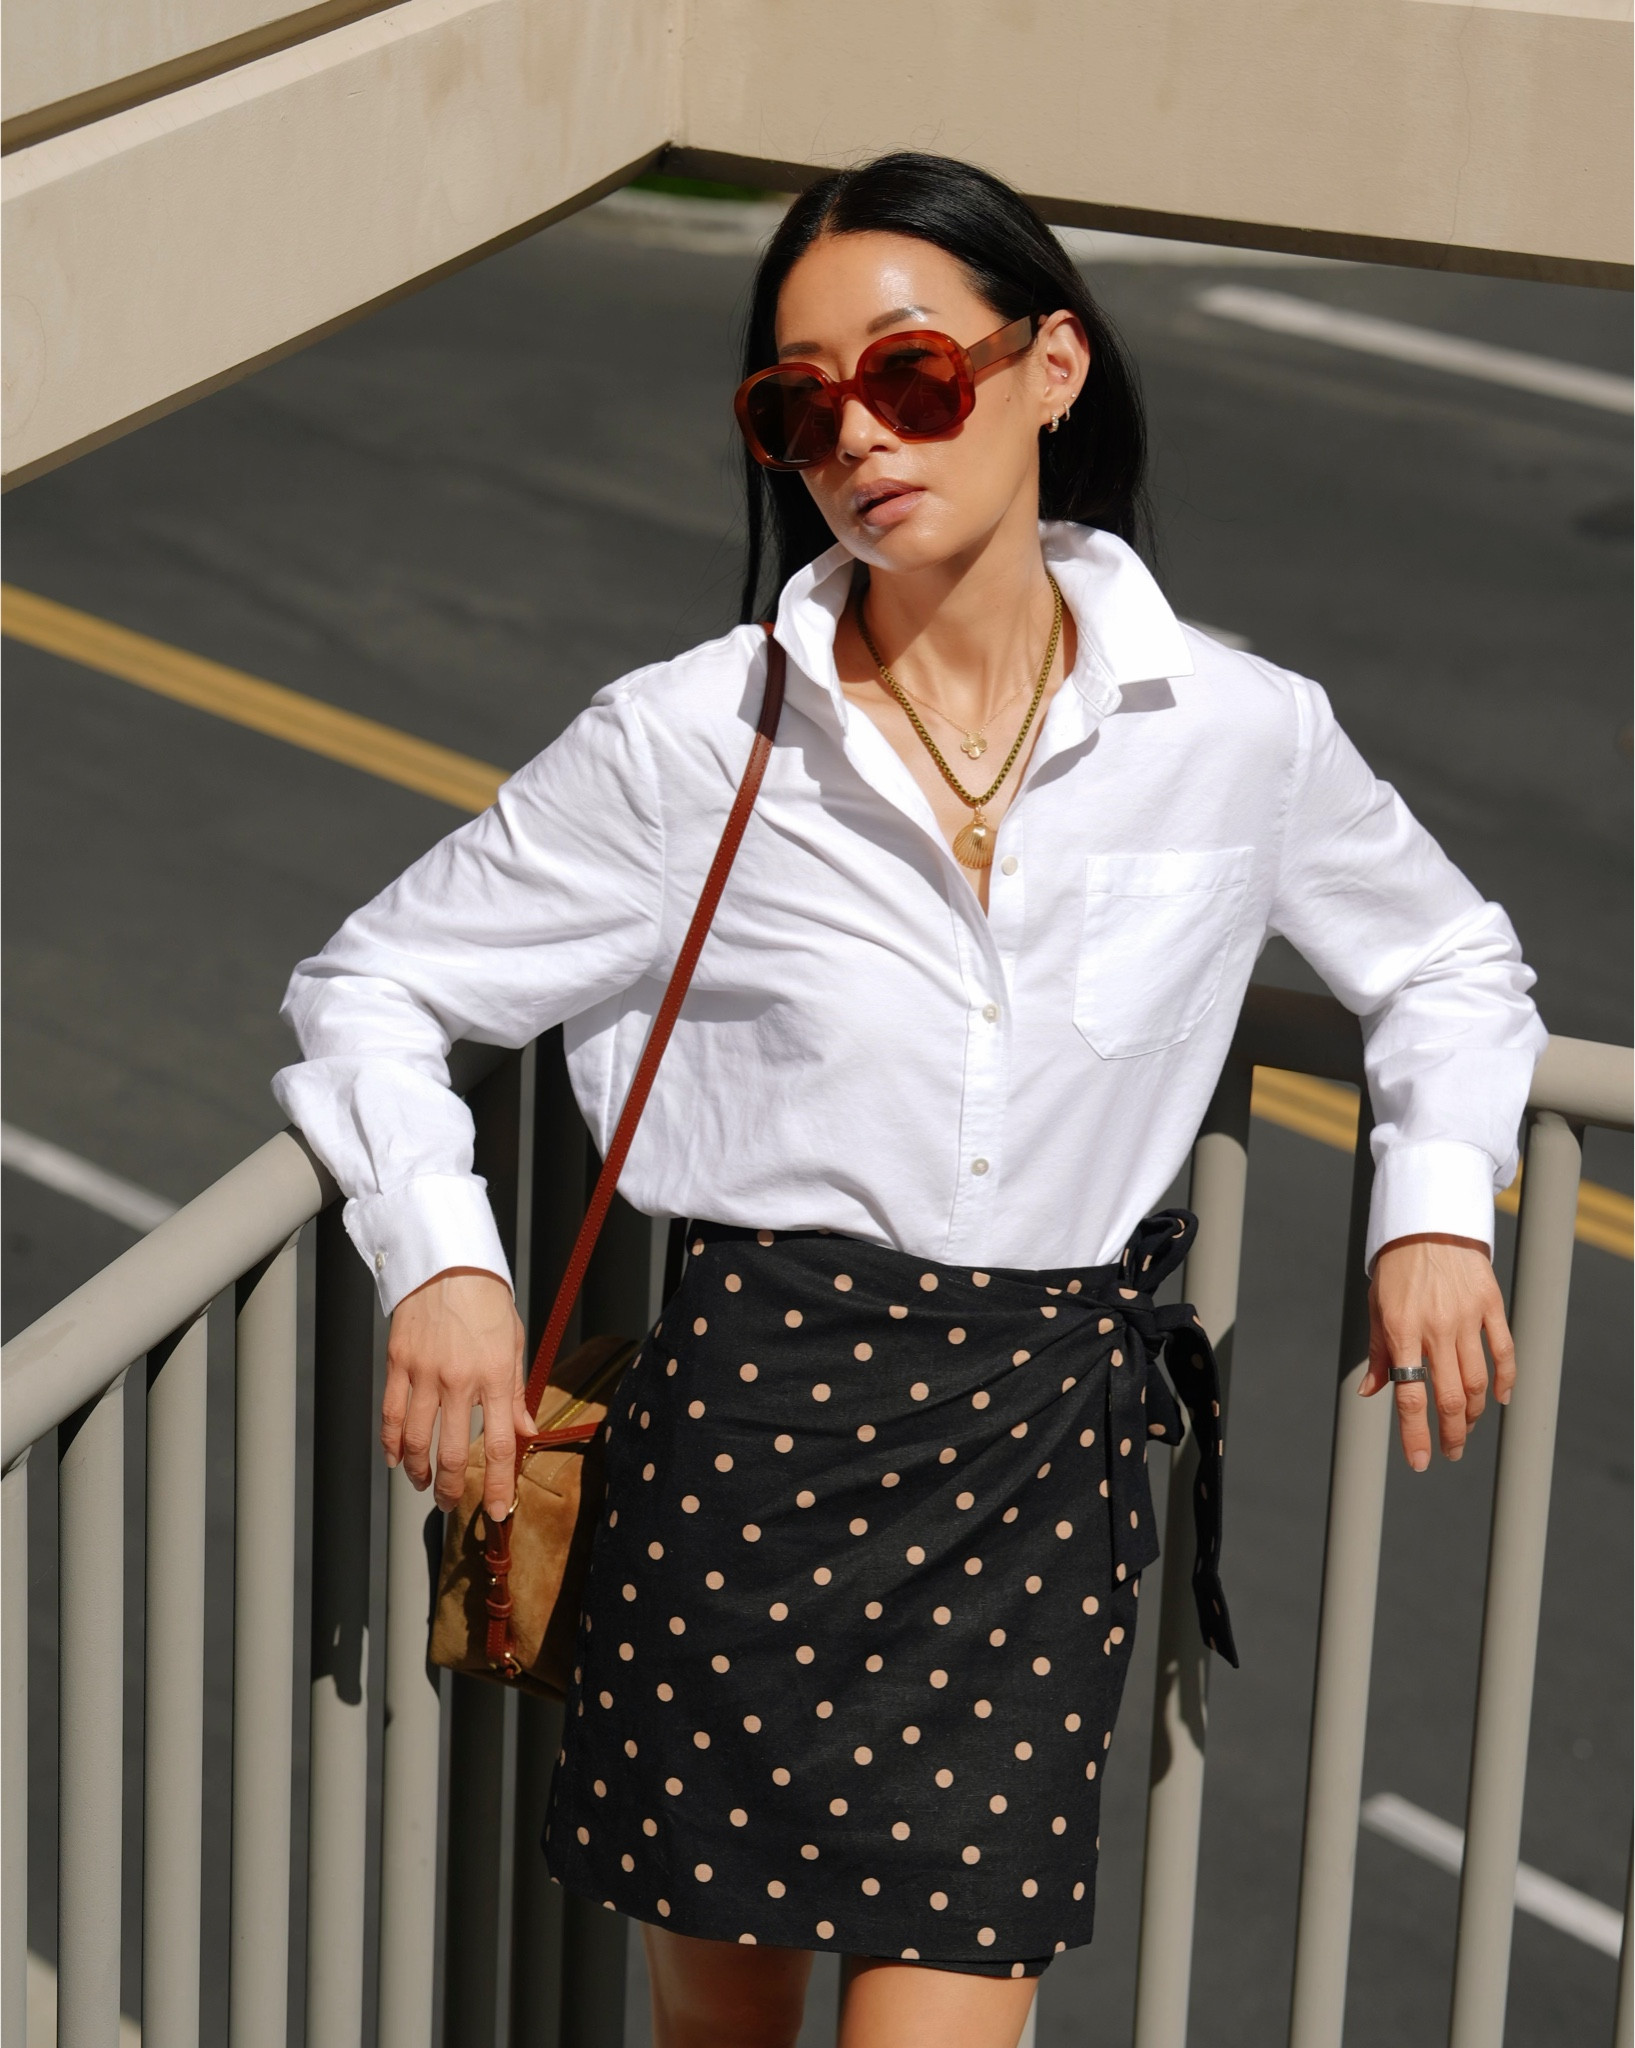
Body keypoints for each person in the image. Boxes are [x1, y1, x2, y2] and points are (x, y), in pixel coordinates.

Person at [275, 153, 1543, 2048]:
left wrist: (1435, 1198)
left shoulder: (1236, 732)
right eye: (802, 406)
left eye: (912, 376)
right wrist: (445, 1259)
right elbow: (369, 984)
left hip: (1032, 1465)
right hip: (740, 1444)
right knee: (722, 2037)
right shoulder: (688, 741)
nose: (858, 435)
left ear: (1053, 369)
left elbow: (1449, 960)